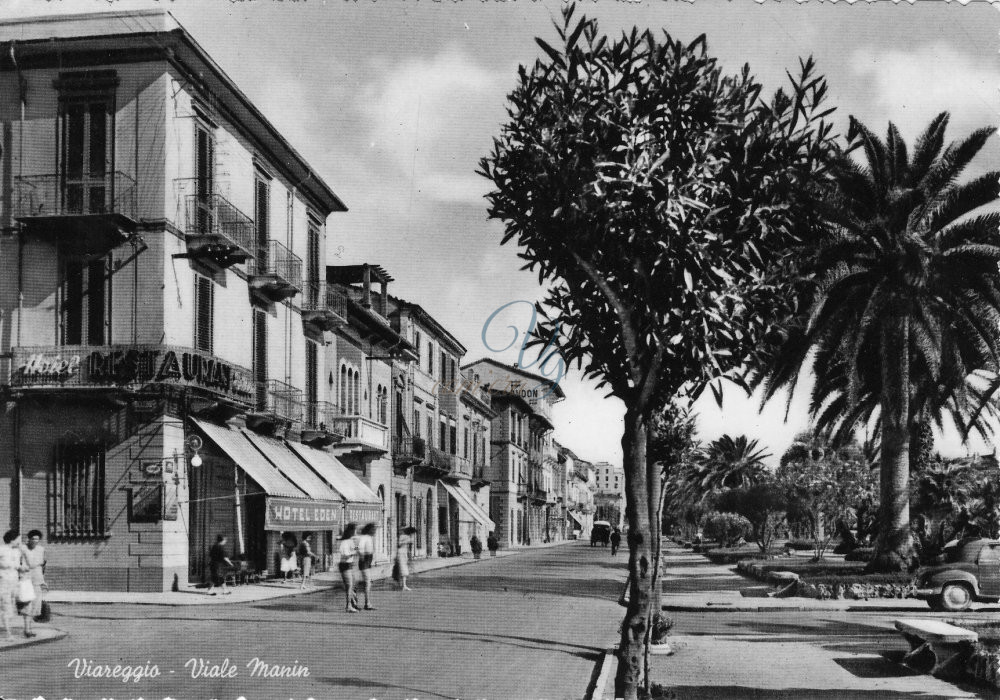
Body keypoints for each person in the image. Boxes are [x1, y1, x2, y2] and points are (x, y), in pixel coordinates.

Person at [0, 530, 25, 640]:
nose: (20, 541)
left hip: (14, 582)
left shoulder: (17, 552)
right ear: (12, 539)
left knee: (11, 607)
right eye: (18, 539)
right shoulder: (1, 549)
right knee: (6, 607)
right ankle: (8, 633)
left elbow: (18, 566)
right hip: (3, 582)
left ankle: (8, 630)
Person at [20, 530, 46, 633]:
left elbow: (43, 567)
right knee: (27, 604)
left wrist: (43, 580)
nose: (35, 541)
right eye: (33, 539)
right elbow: (21, 562)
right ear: (29, 539)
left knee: (35, 605)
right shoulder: (23, 548)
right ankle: (27, 629)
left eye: (37, 539)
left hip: (37, 580)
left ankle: (29, 629)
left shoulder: (41, 549)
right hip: (26, 579)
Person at [338, 523, 360, 613]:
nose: (356, 531)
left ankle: (354, 603)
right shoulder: (344, 542)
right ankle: (348, 606)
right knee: (349, 586)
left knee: (353, 585)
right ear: (351, 531)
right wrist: (354, 552)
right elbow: (345, 554)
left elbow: (355, 549)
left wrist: (356, 547)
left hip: (350, 564)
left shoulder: (351, 541)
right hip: (345, 565)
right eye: (355, 530)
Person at [356, 523, 376, 610]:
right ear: (369, 530)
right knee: (367, 582)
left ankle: (365, 602)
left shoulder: (369, 537)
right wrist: (363, 559)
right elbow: (360, 549)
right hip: (365, 562)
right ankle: (367, 604)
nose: (375, 531)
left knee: (366, 582)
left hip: (367, 561)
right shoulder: (364, 537)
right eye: (373, 529)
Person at [395, 526, 415, 591]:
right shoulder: (403, 536)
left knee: (404, 569)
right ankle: (403, 586)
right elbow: (399, 545)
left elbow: (409, 546)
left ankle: (403, 585)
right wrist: (406, 541)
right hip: (401, 553)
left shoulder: (407, 537)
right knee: (403, 569)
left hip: (404, 553)